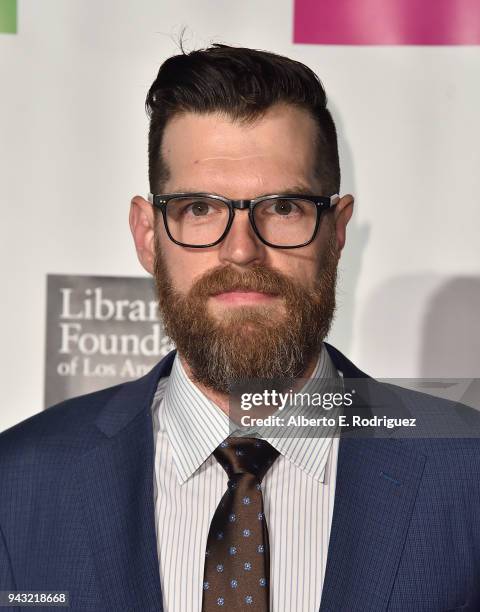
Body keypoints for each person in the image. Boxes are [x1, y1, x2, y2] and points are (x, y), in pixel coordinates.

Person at [0, 44, 479, 612]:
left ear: (338, 229)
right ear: (148, 235)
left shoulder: (466, 469)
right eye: (200, 208)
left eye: (283, 208)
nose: (241, 249)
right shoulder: (17, 484)